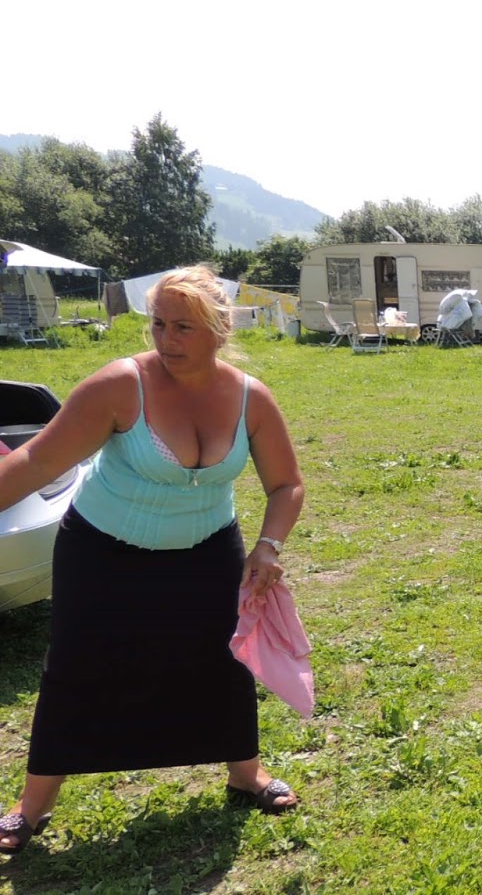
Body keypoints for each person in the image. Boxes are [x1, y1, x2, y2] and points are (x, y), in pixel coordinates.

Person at [0, 267, 305, 854]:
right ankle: (31, 806)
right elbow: (37, 460)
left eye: (183, 327)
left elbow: (286, 484)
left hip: (207, 549)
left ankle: (245, 774)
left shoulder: (251, 398)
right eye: (159, 323)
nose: (166, 339)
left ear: (219, 328)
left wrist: (269, 546)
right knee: (76, 667)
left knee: (224, 660)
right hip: (103, 550)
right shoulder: (121, 385)